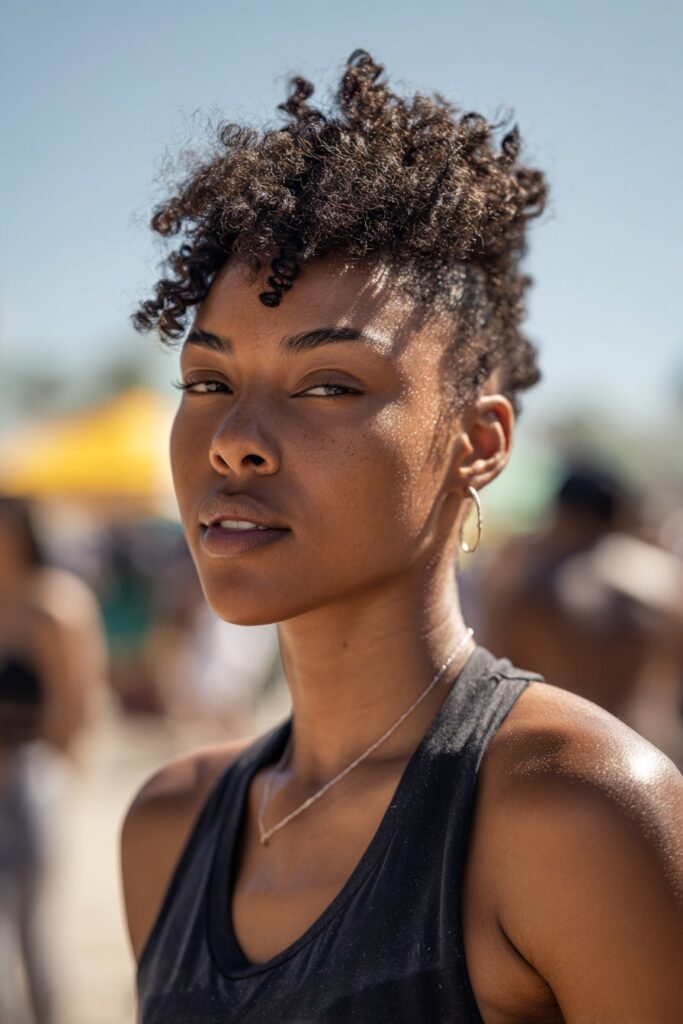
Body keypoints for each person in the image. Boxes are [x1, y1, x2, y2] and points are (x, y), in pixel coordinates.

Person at [121, 51, 683, 1023]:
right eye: (206, 382)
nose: (236, 442)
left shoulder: (579, 814)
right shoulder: (166, 828)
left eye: (328, 385)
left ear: (475, 443)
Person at [0, 494, 108, 1024]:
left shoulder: (54, 603)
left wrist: (58, 778)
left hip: (30, 782)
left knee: (35, 932)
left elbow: (76, 702)